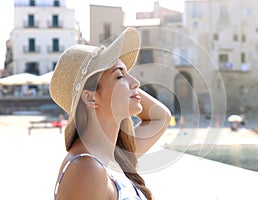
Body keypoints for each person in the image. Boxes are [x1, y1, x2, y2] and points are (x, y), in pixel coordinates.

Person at [50, 27, 171, 200]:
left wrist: (122, 83)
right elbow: (159, 117)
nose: (136, 82)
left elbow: (160, 117)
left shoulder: (114, 156)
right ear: (90, 98)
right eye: (120, 76)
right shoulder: (86, 169)